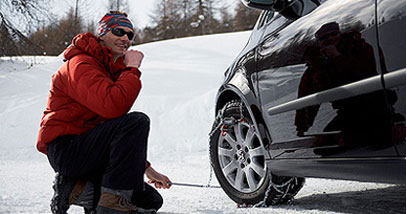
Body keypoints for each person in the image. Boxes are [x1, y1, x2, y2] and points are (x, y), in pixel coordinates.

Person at [36, 11, 171, 214]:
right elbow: (113, 107)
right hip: (68, 149)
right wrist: (132, 68)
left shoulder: (107, 69)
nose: (126, 38)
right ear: (103, 33)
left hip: (91, 150)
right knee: (137, 121)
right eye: (119, 31)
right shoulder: (81, 64)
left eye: (130, 35)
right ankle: (112, 206)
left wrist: (147, 169)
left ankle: (75, 189)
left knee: (149, 200)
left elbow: (114, 132)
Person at [294, 22, 393, 146]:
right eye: (324, 38)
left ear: (340, 34)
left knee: (380, 140)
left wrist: (337, 57)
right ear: (319, 43)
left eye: (333, 34)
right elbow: (306, 93)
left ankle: (392, 123)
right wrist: (302, 126)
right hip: (347, 111)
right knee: (323, 146)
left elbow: (366, 73)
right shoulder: (317, 64)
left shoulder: (359, 47)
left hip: (374, 103)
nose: (330, 38)